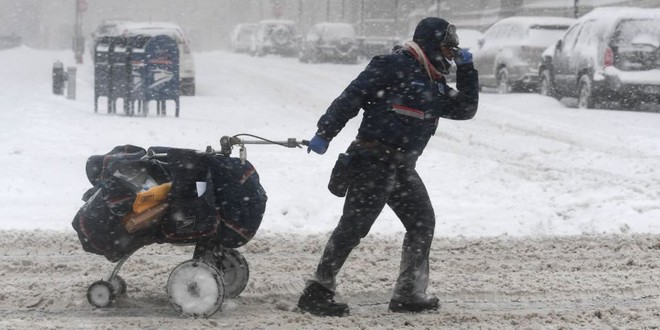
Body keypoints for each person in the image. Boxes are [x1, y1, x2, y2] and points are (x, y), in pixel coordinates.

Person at [297, 17, 479, 317]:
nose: (450, 57)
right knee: (353, 227)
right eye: (447, 50)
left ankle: (408, 294)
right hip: (372, 161)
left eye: (453, 53)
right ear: (431, 46)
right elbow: (350, 98)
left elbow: (466, 109)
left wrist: (468, 71)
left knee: (422, 223)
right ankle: (316, 292)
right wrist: (324, 134)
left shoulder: (433, 82)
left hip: (403, 167)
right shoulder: (391, 66)